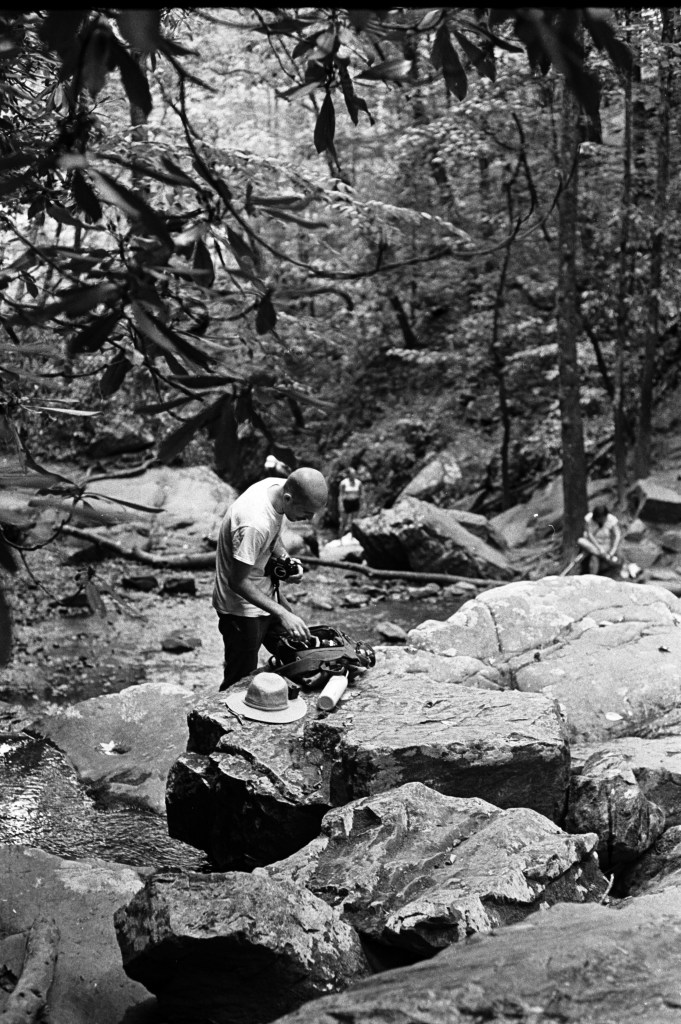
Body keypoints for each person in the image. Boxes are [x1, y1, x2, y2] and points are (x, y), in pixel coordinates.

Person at [213, 467, 328, 690]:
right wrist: (283, 613)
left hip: (266, 595)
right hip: (241, 609)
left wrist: (286, 560)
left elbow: (273, 536)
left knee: (300, 650)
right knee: (239, 679)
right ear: (288, 498)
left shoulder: (277, 487)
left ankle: (275, 686)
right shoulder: (254, 522)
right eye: (306, 513)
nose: (310, 519)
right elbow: (236, 581)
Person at [577, 503, 622, 575]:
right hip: (592, 544)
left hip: (605, 544)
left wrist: (613, 550)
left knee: (594, 557)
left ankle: (593, 576)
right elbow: (590, 534)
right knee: (580, 541)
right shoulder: (589, 519)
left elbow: (617, 535)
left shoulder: (611, 519)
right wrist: (599, 548)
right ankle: (605, 557)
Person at [338, 466, 363, 537]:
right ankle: (340, 539)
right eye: (352, 474)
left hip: (355, 502)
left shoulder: (358, 482)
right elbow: (341, 495)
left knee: (354, 522)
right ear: (348, 474)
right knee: (344, 522)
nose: (353, 475)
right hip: (346, 503)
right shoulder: (343, 483)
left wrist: (361, 504)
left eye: (354, 473)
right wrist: (341, 505)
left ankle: (353, 537)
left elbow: (361, 494)